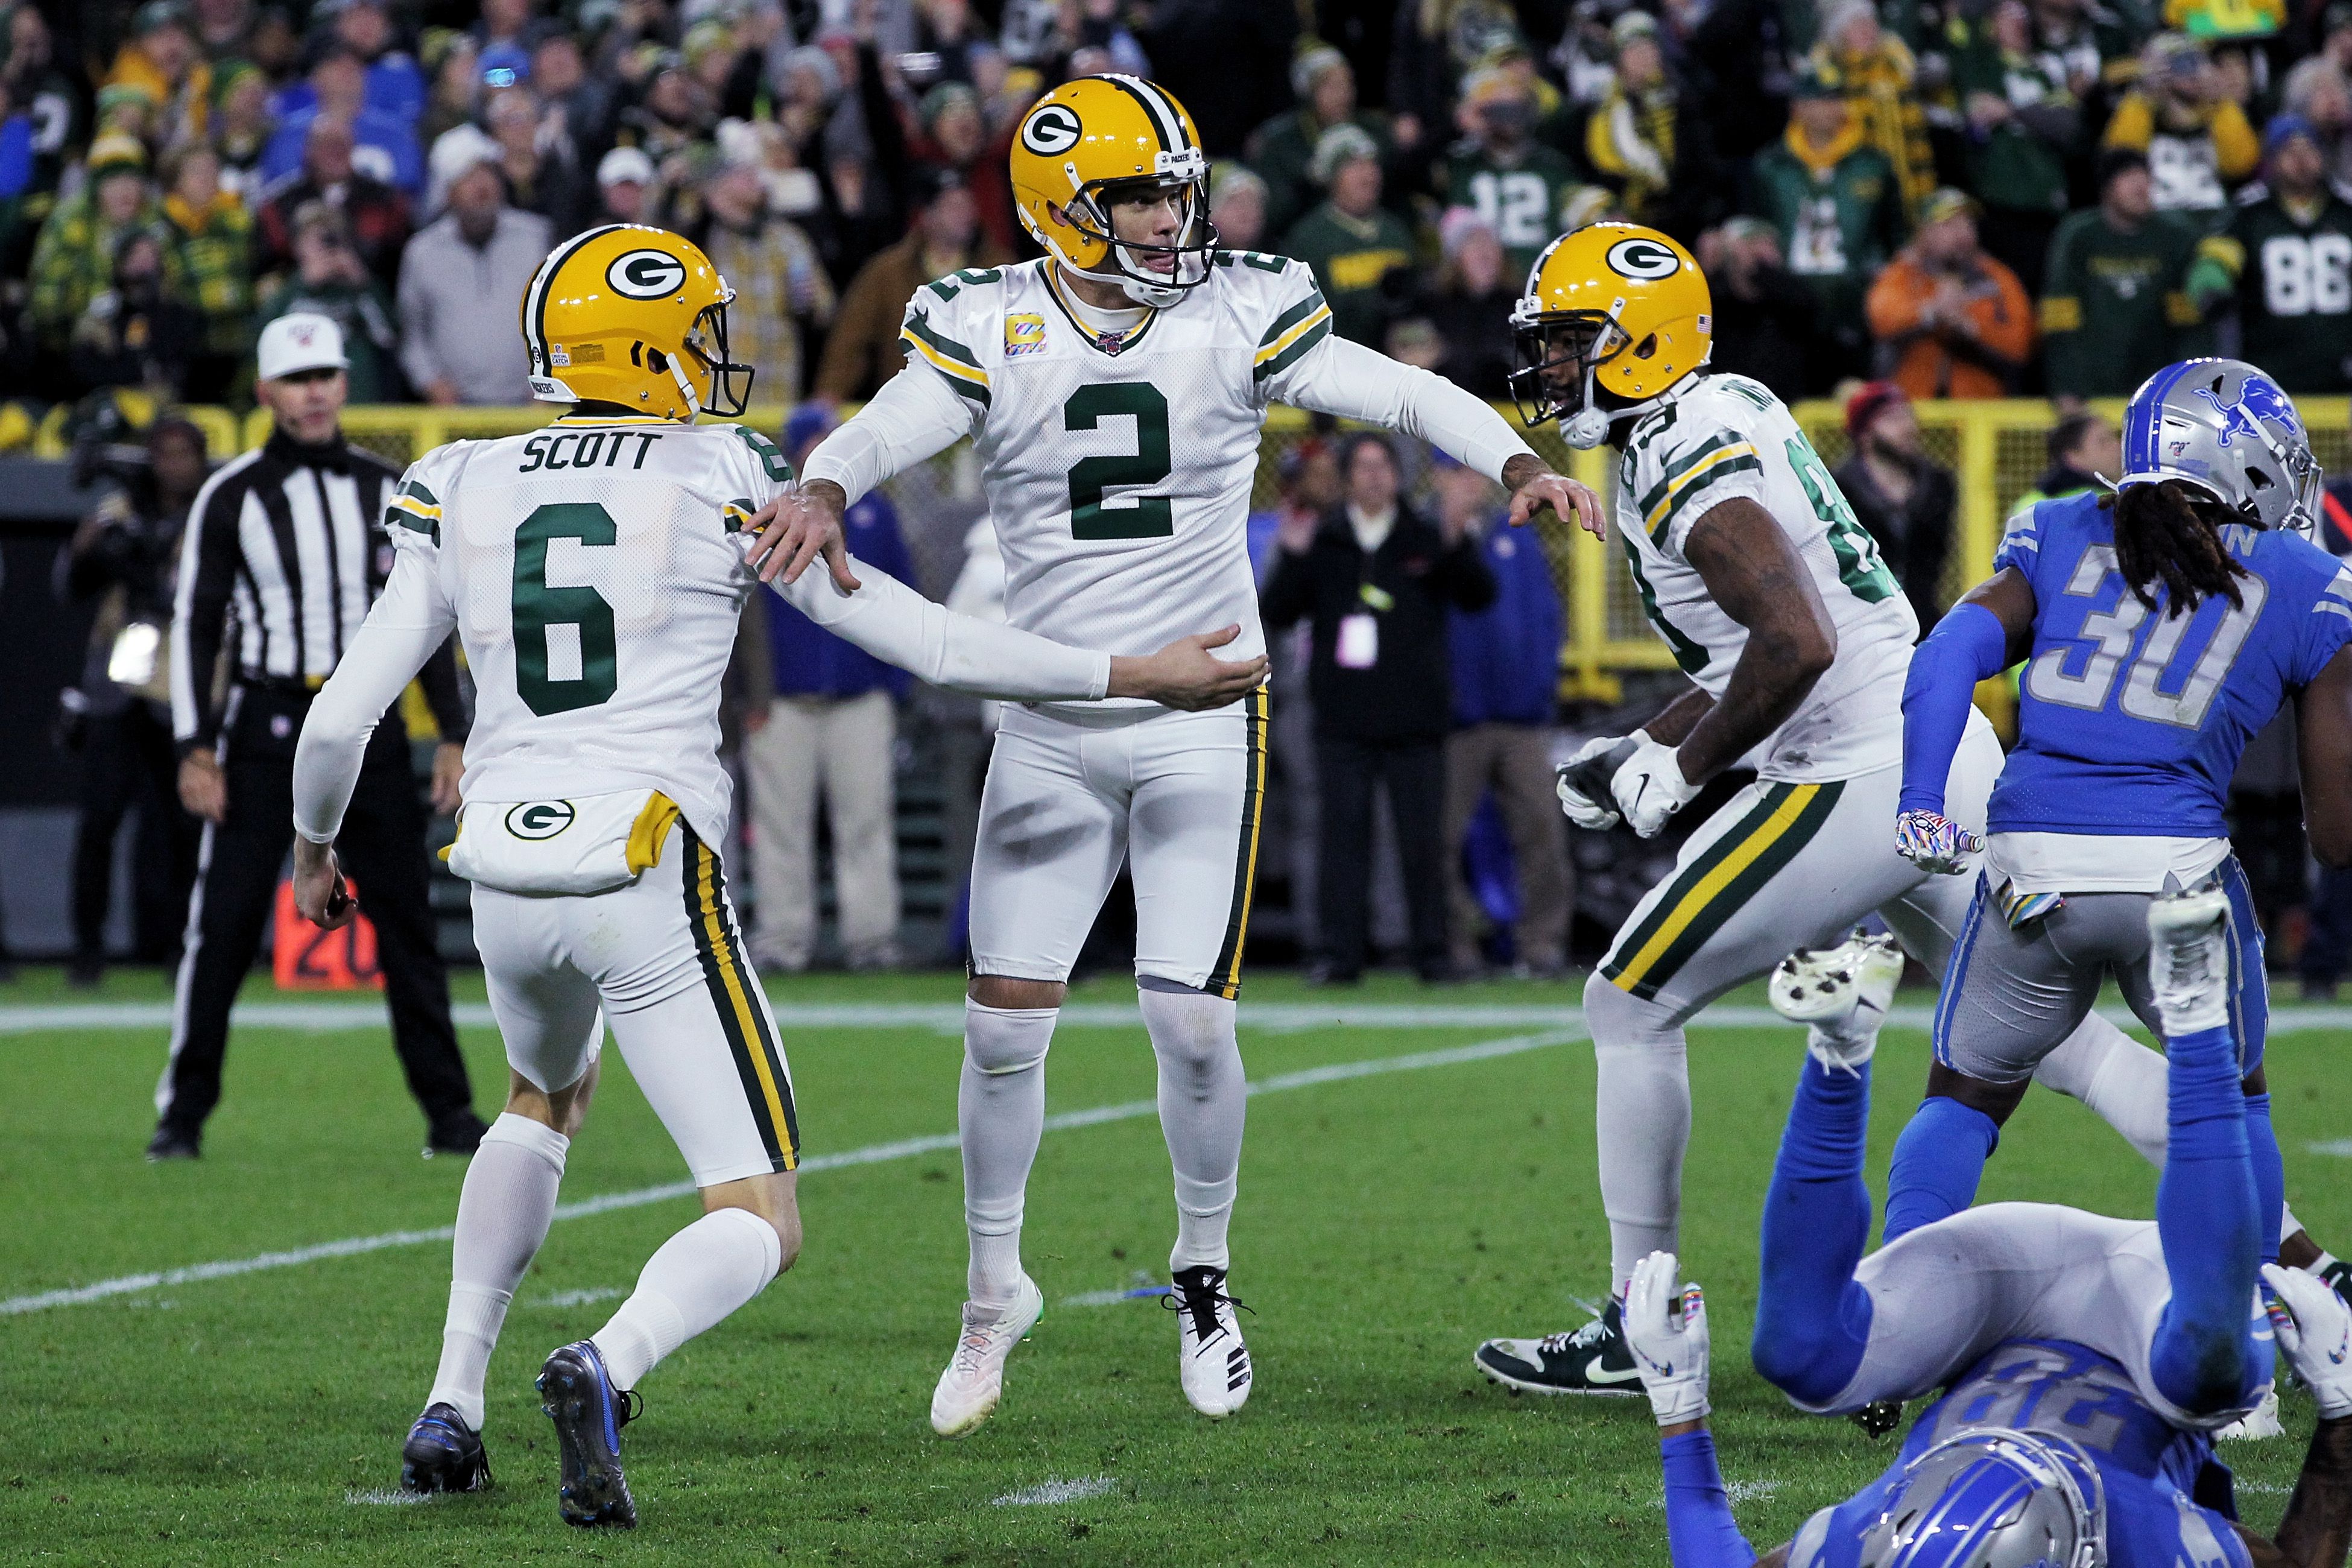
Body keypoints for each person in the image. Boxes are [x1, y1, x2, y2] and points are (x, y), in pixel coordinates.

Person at [288, 224, 1266, 1522]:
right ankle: (607, 1360)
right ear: (639, 347)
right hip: (644, 867)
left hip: (505, 878)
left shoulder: (459, 475)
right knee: (760, 1211)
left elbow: (341, 717)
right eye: (694, 332)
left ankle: (451, 1398)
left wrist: (313, 847)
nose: (713, 354)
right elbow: (925, 641)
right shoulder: (718, 473)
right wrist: (1142, 675)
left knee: (537, 1100)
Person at [765, 75, 1597, 1438]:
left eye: (1173, 190)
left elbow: (1391, 389)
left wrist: (1509, 462)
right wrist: (824, 480)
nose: (1169, 219)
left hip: (1204, 707)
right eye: (1139, 197)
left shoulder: (1234, 306)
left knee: (1190, 1017)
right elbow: (898, 419)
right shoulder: (991, 319)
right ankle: (991, 1296)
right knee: (996, 1029)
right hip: (1050, 720)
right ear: (1058, 211)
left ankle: (1202, 1272)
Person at [1469, 221, 2177, 1399]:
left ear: (1638, 345)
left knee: (1628, 997)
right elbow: (1763, 633)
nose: (1553, 370)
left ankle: (1635, 1323)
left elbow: (1793, 642)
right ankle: (2295, 1259)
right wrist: (1639, 743)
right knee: (2061, 1040)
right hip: (1935, 747)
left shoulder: (1679, 453)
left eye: (1571, 344)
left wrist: (1684, 770)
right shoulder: (1728, 400)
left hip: (1856, 768)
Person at [1622, 912, 2352, 1568]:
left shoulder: (1871, 1541)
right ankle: (2195, 1020)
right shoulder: (2152, 1537)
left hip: (1986, 1315)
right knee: (2211, 1376)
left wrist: (1679, 1403)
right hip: (2147, 1309)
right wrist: (2341, 1405)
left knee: (1798, 1353)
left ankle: (1838, 1052)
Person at [1882, 360, 2352, 1305]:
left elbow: (1947, 654)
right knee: (2234, 1105)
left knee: (1962, 1099)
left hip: (2030, 874)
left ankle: (1898, 1311)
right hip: (2178, 877)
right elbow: (2337, 834)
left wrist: (1922, 800)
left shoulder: (2056, 529)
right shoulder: (2307, 578)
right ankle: (2272, 1328)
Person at [157, 312, 478, 1164]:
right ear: (265, 393)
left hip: (364, 734)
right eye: (298, 380)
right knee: (221, 927)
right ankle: (182, 1116)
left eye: (328, 375)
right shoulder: (232, 496)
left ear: (344, 384)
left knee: (407, 924)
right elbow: (196, 624)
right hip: (264, 728)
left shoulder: (386, 488)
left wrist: (452, 733)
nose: (316, 391)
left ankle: (449, 1116)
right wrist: (196, 744)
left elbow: (429, 617)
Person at [1261, 432, 1496, 985]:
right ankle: (1340, 956)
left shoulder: (1424, 533)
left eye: (1382, 465)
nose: (1372, 476)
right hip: (1342, 717)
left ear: (1398, 475)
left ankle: (1432, 956)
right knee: (1341, 840)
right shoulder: (1324, 538)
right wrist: (1292, 558)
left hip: (1416, 717)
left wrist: (1459, 541)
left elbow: (1478, 596)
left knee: (1421, 841)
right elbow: (1278, 609)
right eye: (1362, 467)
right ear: (1346, 477)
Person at [743, 405, 914, 974]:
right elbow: (741, 615)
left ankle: (873, 941)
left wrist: (895, 688)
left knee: (866, 822)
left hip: (860, 698)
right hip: (781, 704)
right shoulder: (763, 513)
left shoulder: (874, 512)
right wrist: (750, 698)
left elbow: (909, 596)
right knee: (779, 829)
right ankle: (783, 940)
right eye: (811, 442)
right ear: (794, 454)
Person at [62, 415, 209, 983]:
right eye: (163, 454)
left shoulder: (212, 513)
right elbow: (71, 587)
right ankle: (86, 951)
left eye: (184, 454)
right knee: (100, 817)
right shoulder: (120, 511)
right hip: (123, 671)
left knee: (182, 822)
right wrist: (87, 551)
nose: (173, 466)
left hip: (181, 674)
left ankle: (180, 946)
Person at [1435, 455, 1570, 978]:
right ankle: (1459, 945)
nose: (1467, 484)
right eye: (1455, 473)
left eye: (1471, 473)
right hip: (1456, 719)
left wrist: (1539, 692)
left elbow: (1544, 618)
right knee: (1441, 840)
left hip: (1520, 718)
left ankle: (1542, 944)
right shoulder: (1429, 539)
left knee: (1541, 833)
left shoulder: (1516, 532)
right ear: (1438, 478)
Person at [1747, 65, 1904, 391]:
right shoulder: (1771, 166)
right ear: (1798, 107)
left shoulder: (1874, 163)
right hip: (1788, 311)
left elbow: (1894, 235)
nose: (1835, 108)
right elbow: (1758, 233)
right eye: (1823, 99)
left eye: (1839, 99)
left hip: (1855, 306)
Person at [815, 166, 1007, 401]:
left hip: (982, 412)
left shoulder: (1000, 270)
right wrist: (828, 397)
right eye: (953, 206)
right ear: (927, 215)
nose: (966, 214)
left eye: (968, 205)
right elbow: (850, 343)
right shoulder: (887, 273)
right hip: (908, 411)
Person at [2191, 116, 2352, 393]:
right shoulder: (2250, 213)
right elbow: (2215, 260)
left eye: (2309, 150)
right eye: (2290, 151)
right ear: (2272, 159)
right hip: (2270, 368)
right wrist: (2211, 288)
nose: (2302, 161)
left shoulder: (2345, 209)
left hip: (2341, 368)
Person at [2043, 150, 2210, 402]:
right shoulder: (2079, 236)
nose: (2141, 187)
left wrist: (2188, 391)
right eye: (2129, 177)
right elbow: (2059, 319)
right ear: (2107, 187)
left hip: (2157, 392)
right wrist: (2067, 390)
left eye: (2145, 177)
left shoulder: (2175, 236)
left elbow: (2188, 324)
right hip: (2092, 392)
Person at [396, 153, 551, 405]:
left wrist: (550, 383)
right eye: (469, 178)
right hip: (454, 410)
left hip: (530, 404)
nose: (482, 186)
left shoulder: (536, 238)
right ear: (448, 191)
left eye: (488, 175)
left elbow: (559, 317)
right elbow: (411, 333)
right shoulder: (422, 251)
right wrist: (430, 382)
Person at [1865, 188, 2034, 400]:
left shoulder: (1997, 279)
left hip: (1980, 414)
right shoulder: (1904, 273)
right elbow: (1882, 319)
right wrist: (1932, 313)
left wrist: (1971, 328)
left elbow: (2019, 344)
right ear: (1923, 232)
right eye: (1949, 225)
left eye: (1968, 224)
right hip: (1913, 410)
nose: (1963, 235)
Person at [692, 150, 832, 405]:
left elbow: (824, 308)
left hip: (777, 396)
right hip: (717, 403)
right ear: (716, 186)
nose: (755, 178)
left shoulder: (788, 240)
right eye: (742, 173)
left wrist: (809, 303)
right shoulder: (700, 242)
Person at [1832, 381, 1956, 634]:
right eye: (1892, 419)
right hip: (1858, 629)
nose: (1908, 427)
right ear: (1864, 434)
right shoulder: (1838, 492)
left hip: (1922, 624)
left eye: (1908, 415)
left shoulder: (1938, 486)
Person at [1280, 123, 1415, 348]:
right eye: (1353, 165)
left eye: (1372, 163)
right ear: (1331, 177)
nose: (1367, 174)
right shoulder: (1309, 239)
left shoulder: (1396, 231)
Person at [1243, 44, 1395, 244]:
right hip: (1298, 237)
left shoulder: (1372, 129)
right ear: (1309, 92)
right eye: (1331, 87)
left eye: (1347, 85)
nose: (1343, 95)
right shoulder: (1281, 140)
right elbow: (1274, 210)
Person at [1443, 66, 1583, 281]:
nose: (1509, 119)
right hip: (1480, 291)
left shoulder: (1553, 167)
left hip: (1543, 284)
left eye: (1516, 109)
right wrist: (1458, 127)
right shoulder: (1457, 165)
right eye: (1500, 109)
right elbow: (1407, 171)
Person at [258, 202, 402, 403]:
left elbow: (390, 338)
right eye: (314, 241)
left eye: (332, 239)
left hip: (364, 405)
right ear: (297, 246)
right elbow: (265, 339)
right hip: (305, 404)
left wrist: (362, 285)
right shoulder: (285, 291)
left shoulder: (360, 290)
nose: (325, 249)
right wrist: (303, 285)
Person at [2103, 31, 2259, 215]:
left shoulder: (2218, 113)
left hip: (2211, 219)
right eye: (2176, 62)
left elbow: (2240, 166)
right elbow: (2122, 159)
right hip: (2156, 220)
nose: (2190, 72)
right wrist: (2143, 96)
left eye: (2196, 61)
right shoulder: (2141, 111)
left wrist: (2221, 102)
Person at [253, 114, 413, 292]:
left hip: (366, 304)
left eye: (343, 144)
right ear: (308, 150)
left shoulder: (387, 203)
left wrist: (363, 279)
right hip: (300, 307)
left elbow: (402, 271)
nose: (337, 152)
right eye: (327, 144)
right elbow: (265, 274)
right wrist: (302, 279)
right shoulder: (279, 207)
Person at [2012, 408, 2124, 511]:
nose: (2117, 446)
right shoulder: (2105, 505)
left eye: (2116, 439)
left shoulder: (2028, 504)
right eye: (2104, 442)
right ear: (2073, 456)